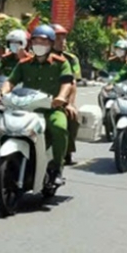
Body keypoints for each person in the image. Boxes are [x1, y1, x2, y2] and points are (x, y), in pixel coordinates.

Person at [1, 25, 74, 184]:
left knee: (59, 127)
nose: (39, 45)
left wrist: (61, 97)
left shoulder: (61, 63)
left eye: (44, 42)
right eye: (36, 41)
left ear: (51, 44)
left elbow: (67, 82)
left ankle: (57, 168)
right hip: (28, 109)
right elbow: (10, 81)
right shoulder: (24, 64)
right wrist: (3, 93)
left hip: (51, 109)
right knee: (6, 126)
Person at [51, 24, 82, 165]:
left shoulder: (70, 59)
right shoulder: (36, 57)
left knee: (72, 118)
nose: (62, 42)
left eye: (64, 38)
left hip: (60, 99)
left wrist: (70, 103)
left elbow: (72, 82)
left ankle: (67, 151)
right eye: (58, 38)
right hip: (38, 98)